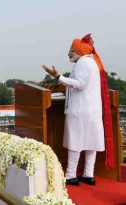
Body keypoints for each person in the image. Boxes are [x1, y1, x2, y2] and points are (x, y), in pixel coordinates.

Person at [42, 34, 114, 186]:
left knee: (76, 141)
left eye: (71, 50)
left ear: (79, 51)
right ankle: (88, 174)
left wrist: (59, 77)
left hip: (81, 111)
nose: (69, 53)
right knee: (91, 143)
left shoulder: (83, 63)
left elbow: (80, 84)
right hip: (91, 110)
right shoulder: (92, 62)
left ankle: (70, 175)